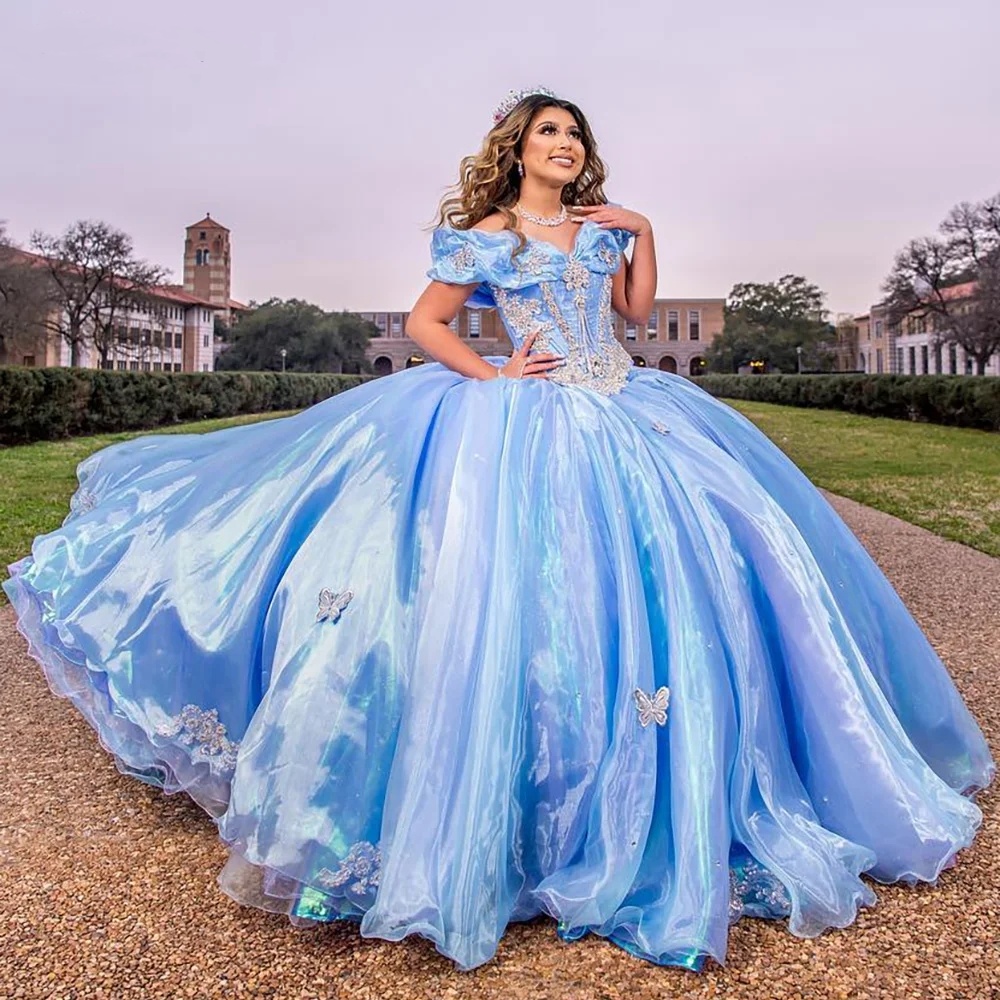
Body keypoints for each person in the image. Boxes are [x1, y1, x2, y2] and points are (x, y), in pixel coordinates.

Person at [4, 86, 993, 974]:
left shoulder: (604, 231)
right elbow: (429, 322)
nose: (564, 143)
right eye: (549, 132)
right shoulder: (483, 235)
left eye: (575, 133)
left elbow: (636, 316)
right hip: (525, 411)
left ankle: (671, 796)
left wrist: (641, 229)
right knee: (495, 588)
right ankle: (495, 820)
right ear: (519, 149)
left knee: (702, 570)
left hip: (622, 406)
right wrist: (492, 376)